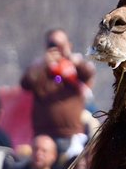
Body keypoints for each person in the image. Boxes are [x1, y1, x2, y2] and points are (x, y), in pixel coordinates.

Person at [21, 28, 95, 157]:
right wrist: (45, 63)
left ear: (69, 45)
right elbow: (26, 83)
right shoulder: (40, 67)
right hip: (45, 137)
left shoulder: (75, 64)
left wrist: (69, 57)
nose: (57, 49)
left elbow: (88, 74)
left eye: (61, 45)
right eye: (53, 44)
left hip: (71, 135)